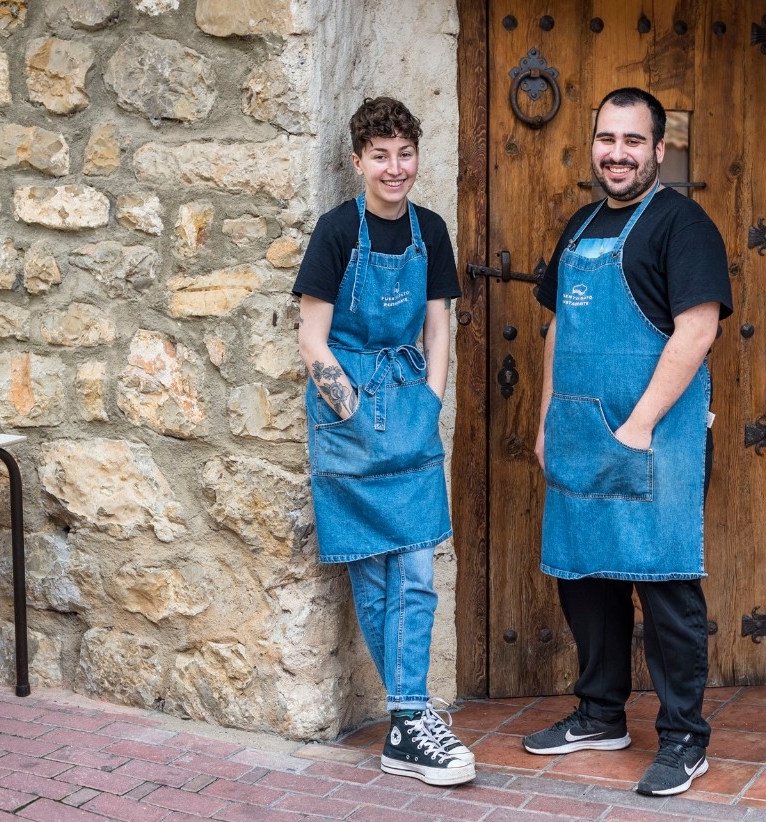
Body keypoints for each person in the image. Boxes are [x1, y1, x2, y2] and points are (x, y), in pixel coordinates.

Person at [525, 87, 732, 797]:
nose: (618, 154)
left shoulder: (684, 225)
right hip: (581, 433)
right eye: (607, 139)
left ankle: (683, 738)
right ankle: (599, 714)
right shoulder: (578, 228)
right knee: (584, 577)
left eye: (633, 141)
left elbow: (698, 328)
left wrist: (638, 426)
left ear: (659, 150)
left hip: (654, 438)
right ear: (593, 146)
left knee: (665, 582)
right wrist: (546, 417)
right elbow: (558, 330)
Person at [294, 96, 474, 787]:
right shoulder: (337, 230)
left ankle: (408, 720)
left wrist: (429, 400)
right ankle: (411, 723)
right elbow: (313, 337)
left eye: (404, 154)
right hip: (349, 412)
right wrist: (350, 410)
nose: (394, 168)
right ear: (358, 161)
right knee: (374, 573)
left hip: (410, 410)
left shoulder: (430, 229)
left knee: (419, 570)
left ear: (415, 156)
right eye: (380, 156)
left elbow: (437, 326)